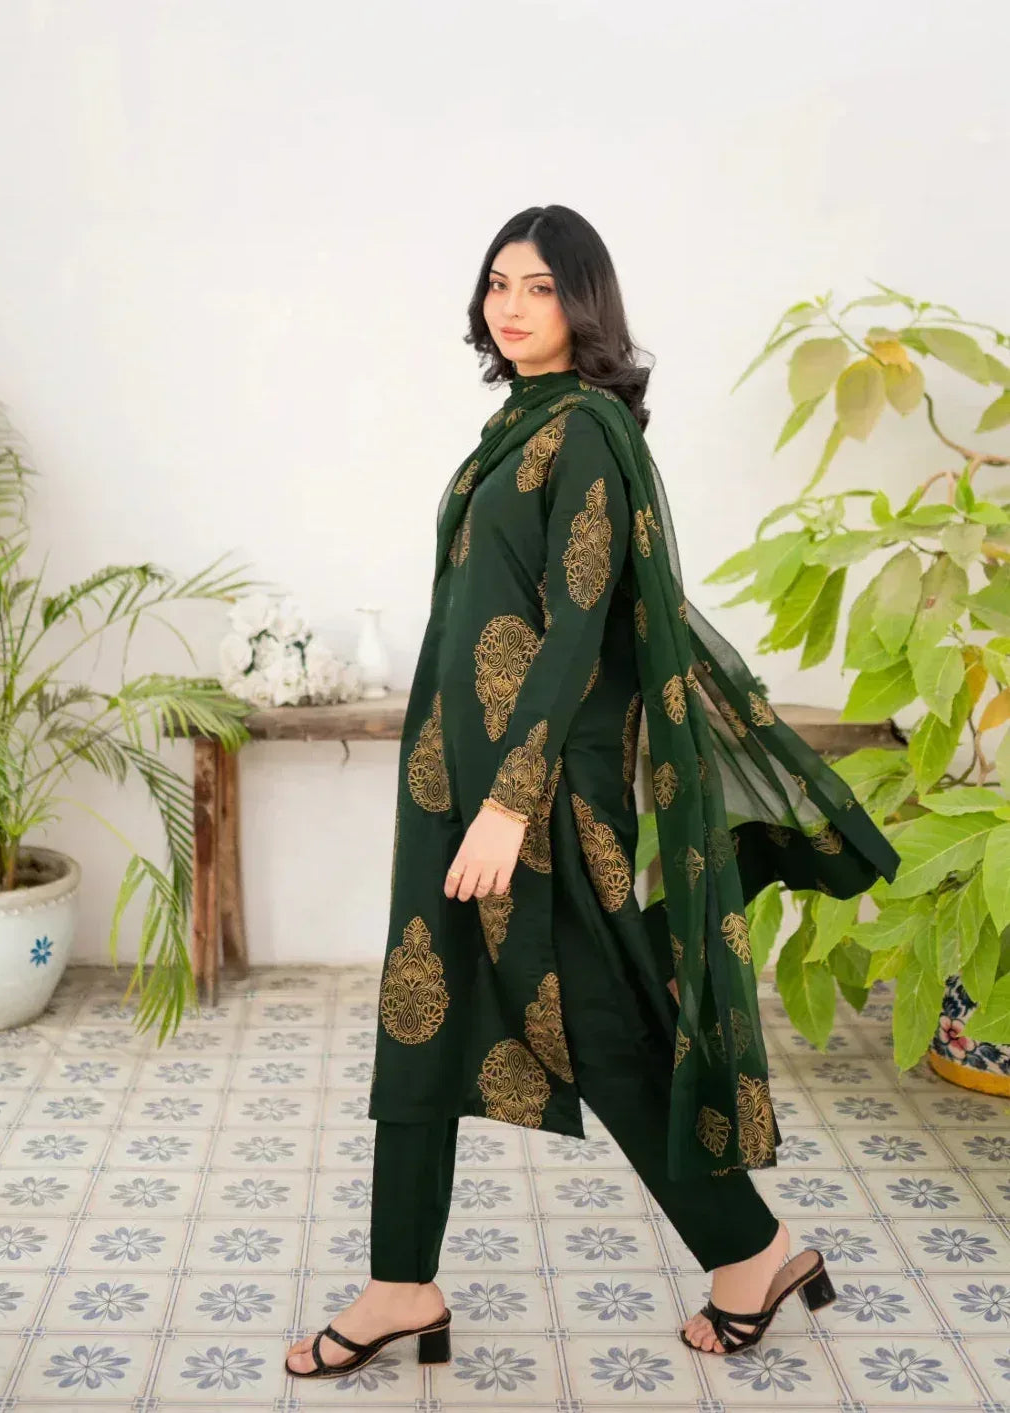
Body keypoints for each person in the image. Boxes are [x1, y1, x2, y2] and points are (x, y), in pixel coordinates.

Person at [284, 205, 899, 1378]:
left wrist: (512, 802)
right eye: (496, 284)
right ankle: (399, 1285)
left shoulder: (589, 432)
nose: (509, 306)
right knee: (422, 1007)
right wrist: (469, 793)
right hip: (452, 791)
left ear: (585, 305)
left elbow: (573, 635)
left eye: (538, 287)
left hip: (540, 802)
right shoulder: (511, 427)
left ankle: (751, 1252)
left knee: (598, 1024)